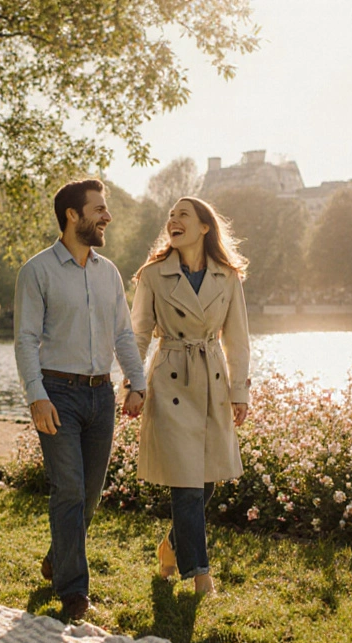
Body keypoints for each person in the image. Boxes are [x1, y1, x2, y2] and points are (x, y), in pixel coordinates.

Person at [13, 178, 147, 621]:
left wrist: (137, 381)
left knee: (89, 495)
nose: (107, 216)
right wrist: (36, 396)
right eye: (99, 209)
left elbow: (123, 334)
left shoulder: (108, 273)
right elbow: (26, 339)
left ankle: (58, 557)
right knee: (68, 489)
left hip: (100, 396)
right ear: (73, 215)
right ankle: (74, 592)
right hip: (58, 396)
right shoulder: (37, 271)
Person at [130, 197, 250, 596]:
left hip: (212, 378)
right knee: (186, 484)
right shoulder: (152, 275)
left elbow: (238, 340)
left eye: (183, 215)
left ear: (203, 227)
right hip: (171, 380)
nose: (172, 220)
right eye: (170, 216)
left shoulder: (227, 276)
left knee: (207, 482)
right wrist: (133, 384)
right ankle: (200, 575)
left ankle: (170, 548)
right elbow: (138, 335)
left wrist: (239, 390)